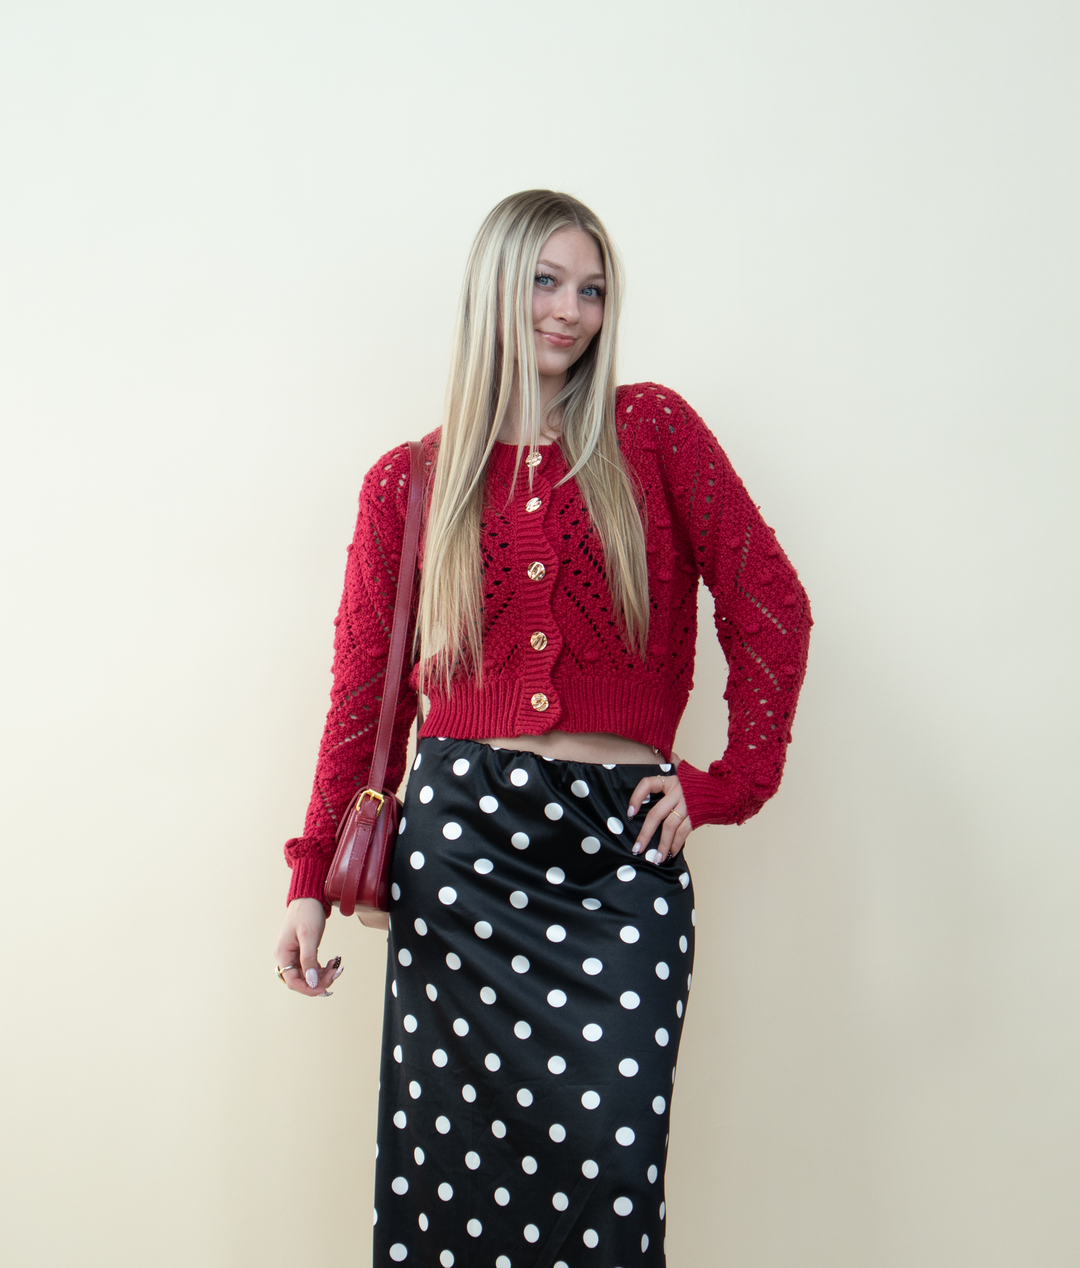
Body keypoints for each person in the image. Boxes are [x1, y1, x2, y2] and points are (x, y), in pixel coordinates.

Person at [274, 189, 811, 1267]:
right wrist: (307, 878)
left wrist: (727, 779)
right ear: (494, 290)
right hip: (460, 858)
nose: (571, 310)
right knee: (448, 1191)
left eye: (593, 288)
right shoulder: (410, 483)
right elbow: (361, 701)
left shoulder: (653, 431)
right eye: (547, 280)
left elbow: (770, 604)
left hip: (619, 860)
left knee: (611, 1185)